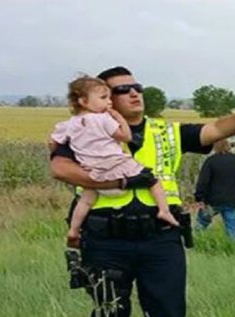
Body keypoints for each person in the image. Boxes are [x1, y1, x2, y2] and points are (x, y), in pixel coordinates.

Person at [49, 66, 235, 317]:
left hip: (160, 236)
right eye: (120, 90)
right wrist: (118, 183)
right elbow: (61, 169)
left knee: (168, 315)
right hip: (106, 239)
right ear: (100, 98)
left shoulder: (167, 132)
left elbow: (216, 130)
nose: (133, 93)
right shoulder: (84, 129)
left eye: (137, 87)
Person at [50, 76, 179, 248]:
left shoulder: (68, 125)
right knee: (152, 180)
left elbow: (53, 143)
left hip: (93, 171)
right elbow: (126, 137)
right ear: (83, 101)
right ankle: (164, 211)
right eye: (103, 98)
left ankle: (74, 230)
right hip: (116, 165)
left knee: (86, 201)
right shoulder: (103, 119)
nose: (109, 102)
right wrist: (119, 118)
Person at [194, 139, 235, 240]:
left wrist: (199, 198)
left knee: (201, 224)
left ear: (215, 147)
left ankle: (195, 244)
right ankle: (232, 250)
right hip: (233, 200)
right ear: (229, 146)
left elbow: (203, 182)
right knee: (233, 229)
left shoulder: (211, 161)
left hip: (212, 200)